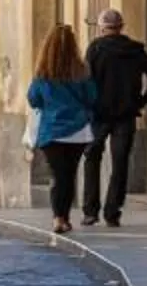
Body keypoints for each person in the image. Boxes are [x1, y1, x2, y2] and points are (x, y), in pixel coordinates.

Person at [85, 7, 147, 228]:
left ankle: (90, 211)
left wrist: (88, 104)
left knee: (92, 159)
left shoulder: (95, 49)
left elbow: (86, 80)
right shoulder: (135, 50)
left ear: (102, 28)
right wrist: (143, 100)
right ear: (121, 27)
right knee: (120, 164)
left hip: (99, 115)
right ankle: (112, 212)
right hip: (126, 115)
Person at [26, 22, 100, 234]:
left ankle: (59, 218)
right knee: (69, 174)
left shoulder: (43, 74)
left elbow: (33, 99)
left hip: (52, 132)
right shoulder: (82, 71)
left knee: (58, 175)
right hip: (78, 131)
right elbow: (92, 97)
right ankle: (64, 217)